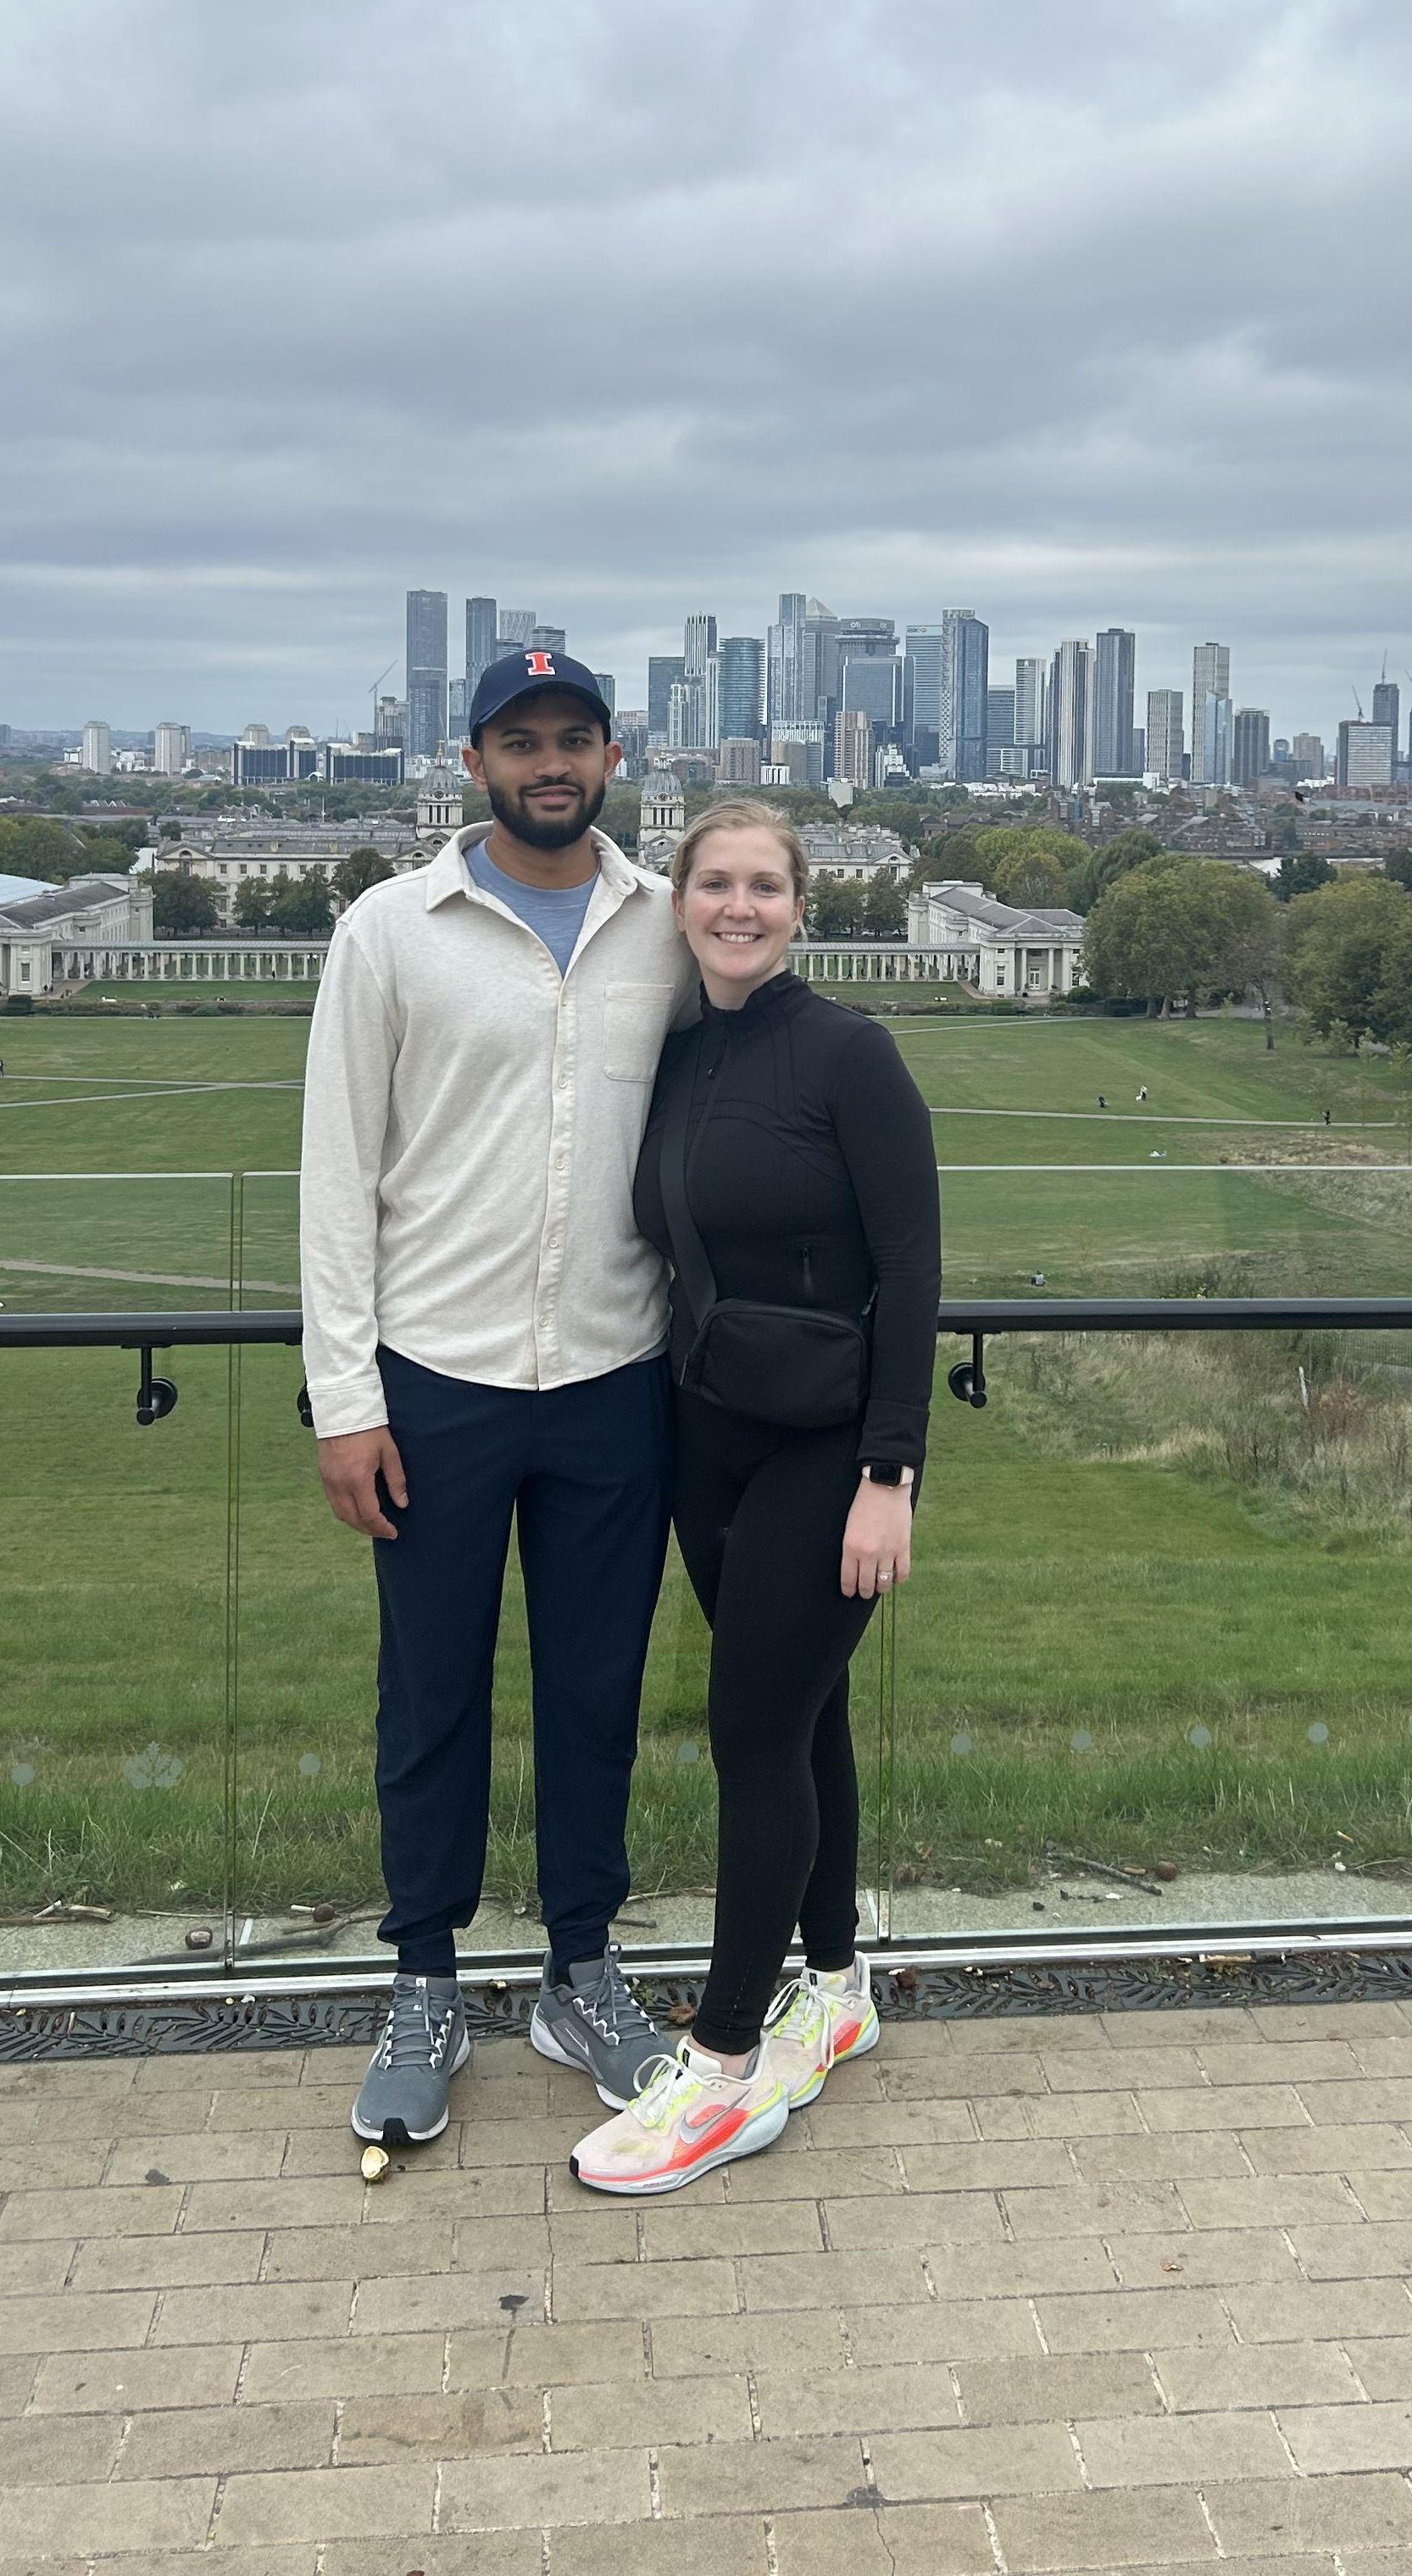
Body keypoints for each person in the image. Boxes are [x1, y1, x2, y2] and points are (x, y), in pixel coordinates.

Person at [300, 651, 698, 2156]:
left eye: (573, 739)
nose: (549, 763)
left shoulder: (666, 927)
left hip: (614, 1377)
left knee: (597, 1694)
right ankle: (424, 1979)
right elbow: (337, 1175)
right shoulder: (389, 929)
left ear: (611, 758)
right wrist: (346, 1398)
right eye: (520, 741)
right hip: (435, 1383)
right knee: (431, 1699)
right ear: (472, 762)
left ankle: (580, 1971)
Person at [569, 802, 941, 2196]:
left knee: (751, 1733)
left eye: (765, 886)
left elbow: (913, 1274)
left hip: (827, 1450)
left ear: (800, 907)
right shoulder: (679, 1057)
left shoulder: (850, 1055)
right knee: (802, 1712)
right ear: (679, 904)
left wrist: (890, 1476)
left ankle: (723, 2065)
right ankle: (833, 1989)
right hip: (707, 1435)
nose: (739, 906)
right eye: (715, 883)